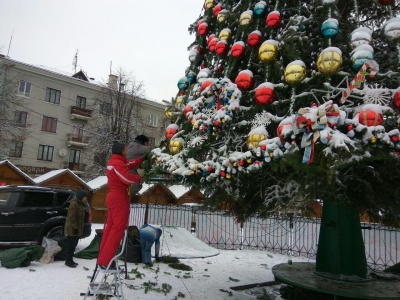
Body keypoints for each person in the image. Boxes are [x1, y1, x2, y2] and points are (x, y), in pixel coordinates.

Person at [97, 141, 144, 269]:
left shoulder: (117, 162)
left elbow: (130, 163)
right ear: (120, 150)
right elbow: (127, 178)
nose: (127, 151)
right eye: (125, 149)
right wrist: (139, 178)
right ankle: (107, 261)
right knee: (118, 229)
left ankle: (103, 258)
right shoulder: (117, 164)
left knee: (110, 227)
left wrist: (143, 158)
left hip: (114, 196)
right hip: (119, 197)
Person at [64, 190, 88, 268]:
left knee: (74, 245)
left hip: (77, 228)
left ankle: (70, 259)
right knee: (70, 245)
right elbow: (72, 218)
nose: (86, 198)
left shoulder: (80, 204)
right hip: (72, 229)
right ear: (81, 197)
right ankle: (68, 261)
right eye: (85, 197)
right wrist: (75, 228)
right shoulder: (74, 204)